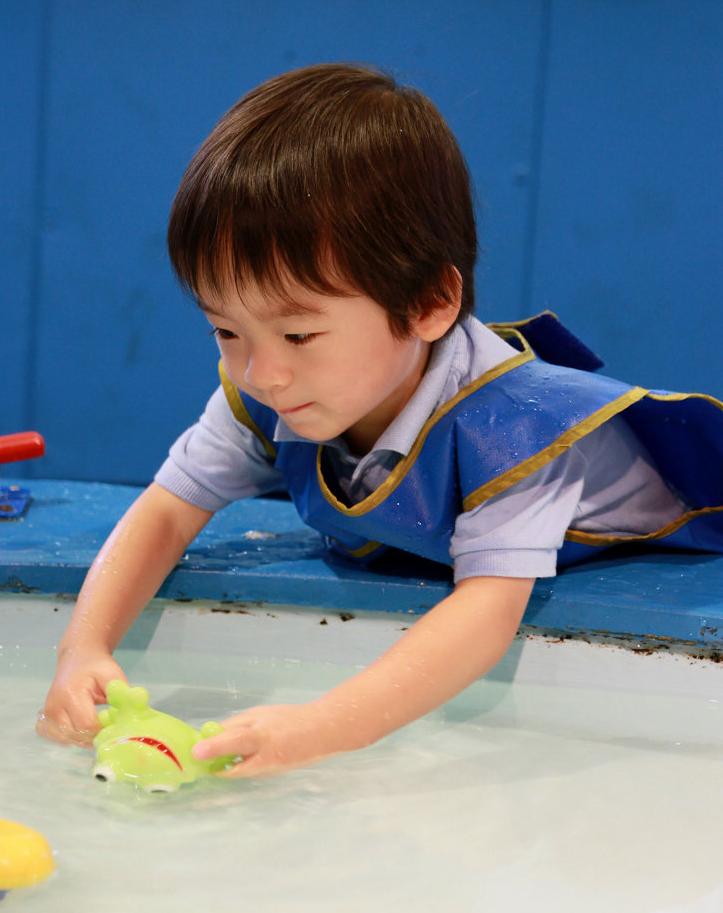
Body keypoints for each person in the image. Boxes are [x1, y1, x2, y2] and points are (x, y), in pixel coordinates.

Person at [37, 63, 723, 777]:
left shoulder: (520, 428)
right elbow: (167, 511)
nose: (260, 373)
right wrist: (83, 648)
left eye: (298, 335)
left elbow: (486, 613)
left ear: (429, 304)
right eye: (226, 331)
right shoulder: (272, 389)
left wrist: (322, 727)